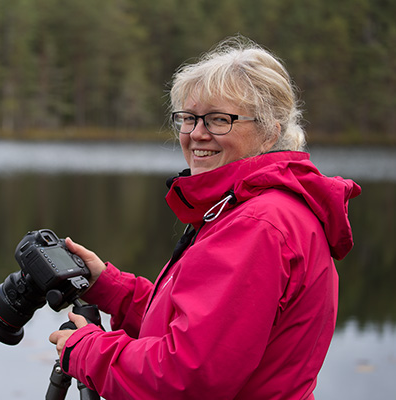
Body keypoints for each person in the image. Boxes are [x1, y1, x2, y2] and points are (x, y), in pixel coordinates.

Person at [49, 35, 361, 400]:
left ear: (270, 131)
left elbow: (189, 378)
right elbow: (204, 328)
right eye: (188, 118)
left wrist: (87, 350)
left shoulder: (259, 225)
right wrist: (111, 288)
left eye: (218, 119)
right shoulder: (259, 208)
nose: (197, 133)